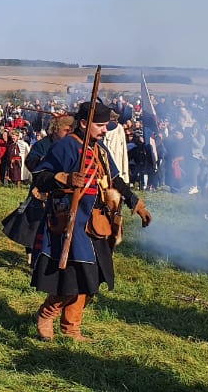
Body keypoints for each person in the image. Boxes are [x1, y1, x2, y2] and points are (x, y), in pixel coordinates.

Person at [30, 100, 152, 342]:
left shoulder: (100, 149)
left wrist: (136, 203)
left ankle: (71, 327)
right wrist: (64, 177)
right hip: (71, 222)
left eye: (106, 125)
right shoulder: (65, 147)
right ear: (84, 124)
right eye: (100, 125)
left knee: (92, 278)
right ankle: (47, 314)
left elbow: (115, 179)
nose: (105, 130)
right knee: (75, 276)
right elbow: (39, 177)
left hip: (97, 223)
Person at [2, 114, 75, 264]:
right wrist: (47, 170)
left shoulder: (71, 145)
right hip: (41, 191)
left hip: (63, 193)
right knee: (34, 226)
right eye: (66, 130)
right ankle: (32, 258)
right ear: (56, 129)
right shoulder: (43, 144)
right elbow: (31, 161)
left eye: (70, 130)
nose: (69, 133)